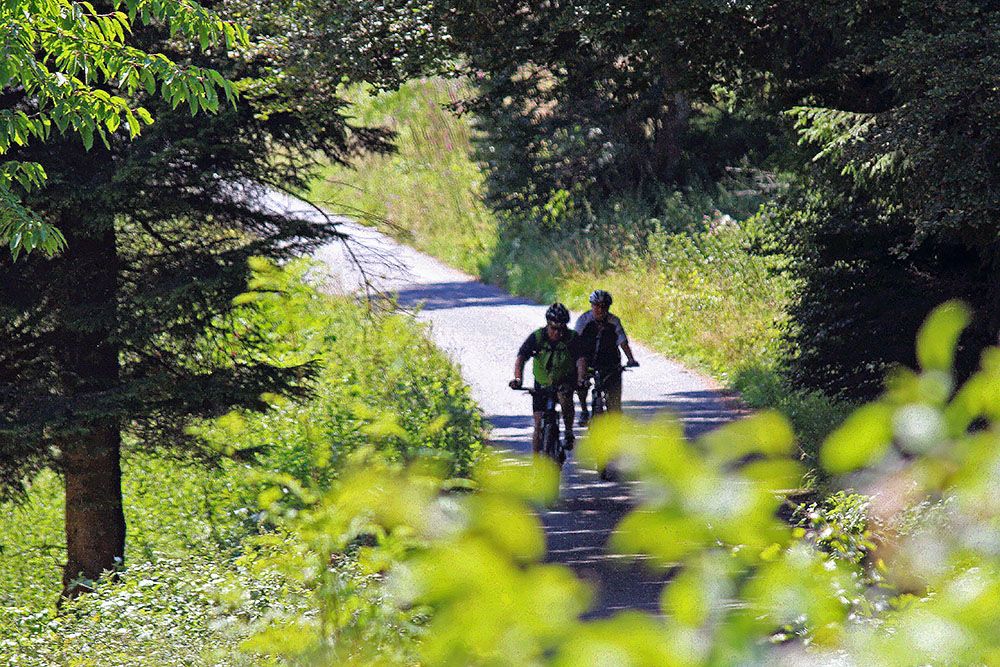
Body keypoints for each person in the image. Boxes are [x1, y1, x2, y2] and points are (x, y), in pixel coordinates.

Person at [509, 303, 588, 454]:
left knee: (566, 399)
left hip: (564, 380)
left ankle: (569, 432)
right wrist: (518, 379)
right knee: (538, 422)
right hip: (542, 382)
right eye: (554, 328)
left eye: (561, 328)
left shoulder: (571, 338)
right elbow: (521, 358)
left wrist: (581, 379)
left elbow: (581, 360)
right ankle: (537, 464)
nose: (557, 332)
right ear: (548, 325)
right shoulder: (538, 337)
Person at [574, 289, 639, 425]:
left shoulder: (614, 321)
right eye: (596, 306)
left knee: (614, 403)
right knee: (581, 383)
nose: (600, 310)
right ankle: (584, 410)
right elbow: (574, 342)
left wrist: (630, 359)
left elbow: (623, 341)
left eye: (604, 306)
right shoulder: (583, 320)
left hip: (610, 362)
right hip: (588, 361)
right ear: (591, 306)